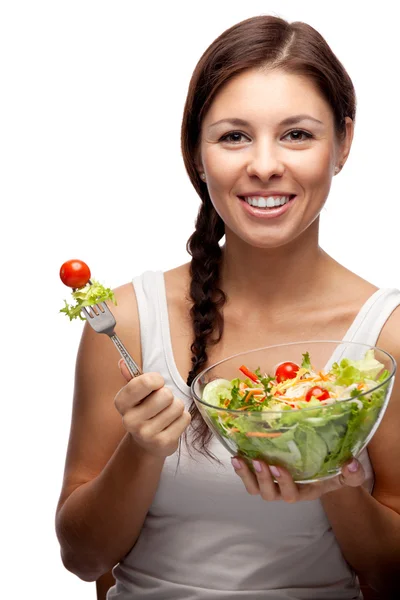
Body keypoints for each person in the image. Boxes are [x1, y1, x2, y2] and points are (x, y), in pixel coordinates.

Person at [55, 14, 400, 600]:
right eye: (234, 136)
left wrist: (335, 483)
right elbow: (83, 559)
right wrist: (140, 452)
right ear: (195, 152)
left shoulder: (387, 336)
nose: (265, 165)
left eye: (297, 134)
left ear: (343, 142)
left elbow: (391, 576)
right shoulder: (128, 321)